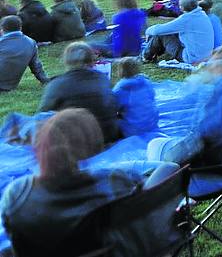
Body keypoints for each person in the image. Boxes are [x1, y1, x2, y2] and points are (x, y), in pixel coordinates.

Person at [0, 109, 178, 256]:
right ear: (91, 150)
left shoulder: (17, 195)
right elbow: (168, 168)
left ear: (38, 151)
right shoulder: (116, 183)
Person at [148, 48, 222, 166]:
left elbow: (205, 133)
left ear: (219, 66)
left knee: (155, 145)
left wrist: (201, 90)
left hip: (214, 165)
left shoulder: (220, 94)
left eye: (211, 64)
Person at [39, 43, 120, 142]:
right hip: (108, 136)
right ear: (91, 60)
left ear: (66, 61)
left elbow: (42, 115)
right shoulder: (103, 79)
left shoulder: (58, 84)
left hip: (75, 142)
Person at [143, 0, 215, 63]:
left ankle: (145, 56)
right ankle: (155, 51)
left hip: (192, 58)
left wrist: (147, 31)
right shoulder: (202, 14)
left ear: (181, 7)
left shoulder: (186, 19)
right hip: (206, 56)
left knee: (161, 35)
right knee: (171, 33)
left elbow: (158, 30)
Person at [0, 15, 49, 92]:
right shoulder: (31, 43)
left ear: (2, 29)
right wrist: (45, 80)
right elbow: (36, 67)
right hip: (9, 86)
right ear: (20, 27)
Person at [111, 57, 158, 137]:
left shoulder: (121, 88)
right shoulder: (147, 82)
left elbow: (113, 107)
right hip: (152, 124)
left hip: (134, 129)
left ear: (120, 70)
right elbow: (152, 97)